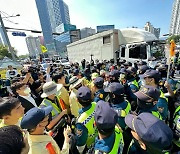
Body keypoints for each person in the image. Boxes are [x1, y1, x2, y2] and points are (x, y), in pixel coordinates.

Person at [75, 86, 97, 153]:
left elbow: (80, 144)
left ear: (77, 100)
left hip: (89, 147)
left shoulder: (81, 122)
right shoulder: (95, 104)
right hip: (98, 138)